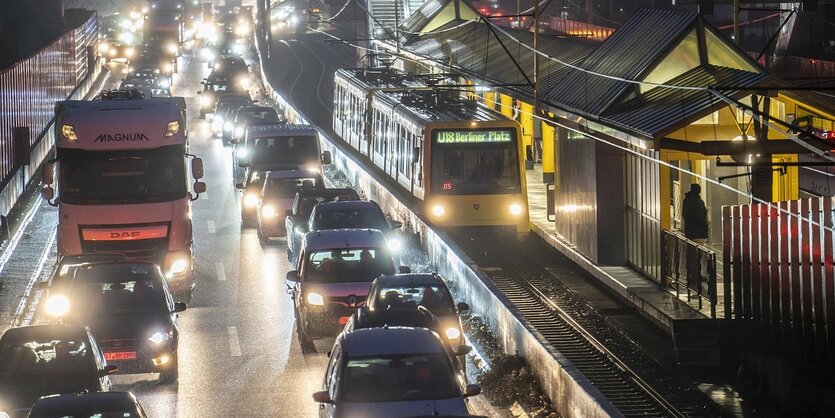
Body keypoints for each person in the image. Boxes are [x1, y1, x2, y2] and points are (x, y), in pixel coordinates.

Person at [682, 183, 708, 291]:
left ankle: (691, 275)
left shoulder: (686, 201)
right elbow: (700, 217)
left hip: (689, 231)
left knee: (691, 255)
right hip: (698, 232)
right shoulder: (698, 202)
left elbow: (684, 214)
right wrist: (706, 226)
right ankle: (695, 276)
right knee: (697, 256)